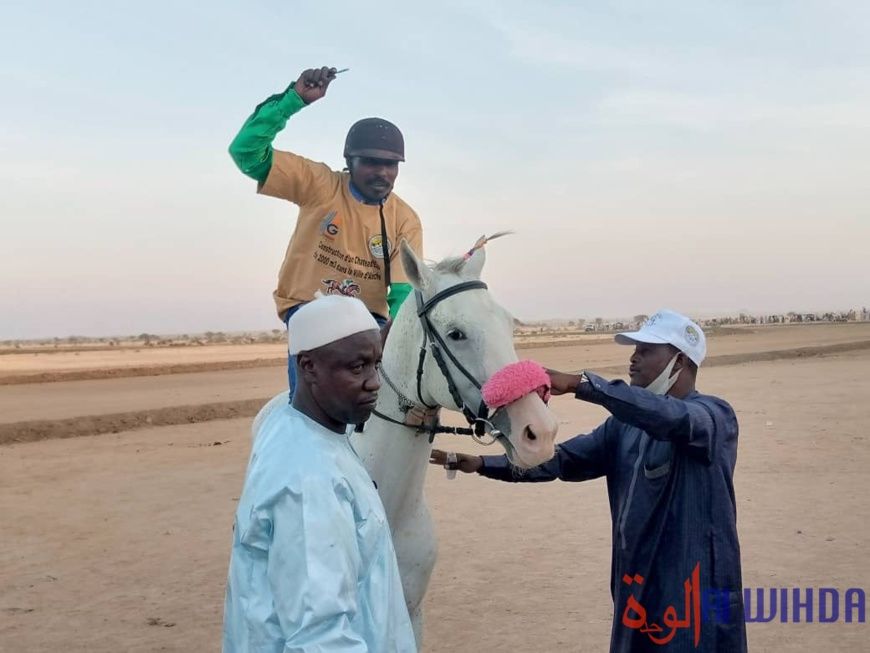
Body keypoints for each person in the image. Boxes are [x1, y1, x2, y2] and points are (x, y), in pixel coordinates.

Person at [432, 309, 747, 652]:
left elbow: (672, 418)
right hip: (638, 596)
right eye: (634, 349)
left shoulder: (714, 417)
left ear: (680, 361)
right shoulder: (623, 427)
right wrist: (480, 463)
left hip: (694, 600)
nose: (633, 359)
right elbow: (562, 461)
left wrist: (582, 384)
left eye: (646, 351)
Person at [223, 294, 416, 652]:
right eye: (357, 368)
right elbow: (321, 637)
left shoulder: (288, 421)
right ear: (308, 367)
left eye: (376, 364)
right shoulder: (309, 482)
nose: (375, 382)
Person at [229, 65, 423, 398]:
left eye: (390, 164)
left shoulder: (404, 218)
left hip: (370, 326)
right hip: (311, 313)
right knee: (320, 409)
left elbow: (405, 292)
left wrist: (391, 336)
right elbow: (245, 152)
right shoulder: (320, 184)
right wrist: (293, 100)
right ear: (350, 160)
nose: (382, 172)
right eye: (371, 162)